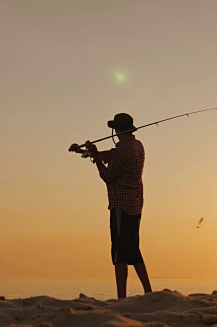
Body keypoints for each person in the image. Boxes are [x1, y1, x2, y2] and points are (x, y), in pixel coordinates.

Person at [69, 113, 152, 298]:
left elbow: (108, 176)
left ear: (116, 130)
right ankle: (148, 292)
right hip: (136, 204)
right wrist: (85, 151)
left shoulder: (123, 150)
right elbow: (110, 155)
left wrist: (96, 158)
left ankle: (121, 297)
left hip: (121, 205)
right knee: (133, 249)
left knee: (119, 253)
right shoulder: (136, 145)